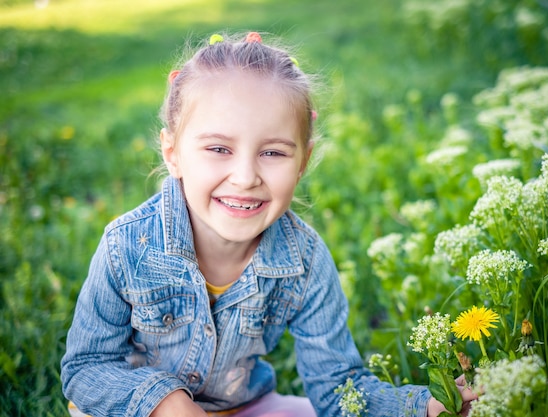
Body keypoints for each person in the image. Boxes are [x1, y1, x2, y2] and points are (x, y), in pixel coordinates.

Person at [60, 31, 477, 417]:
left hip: (241, 406)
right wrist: (164, 402)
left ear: (303, 162)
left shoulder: (305, 259)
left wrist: (423, 406)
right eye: (219, 148)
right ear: (173, 154)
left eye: (273, 153)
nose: (245, 177)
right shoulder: (128, 244)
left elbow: (338, 387)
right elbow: (85, 369)